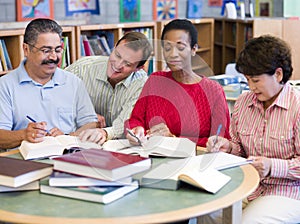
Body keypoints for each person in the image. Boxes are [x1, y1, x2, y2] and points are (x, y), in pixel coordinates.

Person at [206, 35, 300, 223]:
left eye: (256, 80)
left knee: (248, 222)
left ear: (278, 75)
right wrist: (228, 147)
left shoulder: (297, 107)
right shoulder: (243, 102)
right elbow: (239, 147)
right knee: (205, 209)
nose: (251, 87)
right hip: (248, 186)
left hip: (288, 191)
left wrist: (273, 166)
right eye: (247, 80)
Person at [125, 19, 230, 147]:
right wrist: (137, 130)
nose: (173, 54)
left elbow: (220, 142)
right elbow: (135, 119)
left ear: (193, 49)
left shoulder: (214, 91)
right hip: (152, 156)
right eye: (168, 48)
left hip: (196, 161)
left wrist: (173, 139)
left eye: (180, 47)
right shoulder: (155, 81)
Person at [0, 18, 98, 150]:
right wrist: (24, 135)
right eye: (46, 51)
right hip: (23, 162)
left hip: (66, 157)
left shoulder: (73, 82)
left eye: (57, 50)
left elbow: (90, 123)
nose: (53, 57)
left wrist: (68, 136)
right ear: (26, 49)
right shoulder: (5, 85)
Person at [66, 32, 153, 145]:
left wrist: (104, 133)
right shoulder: (82, 68)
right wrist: (83, 113)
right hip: (71, 140)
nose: (117, 65)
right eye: (117, 55)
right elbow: (53, 95)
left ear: (138, 68)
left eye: (127, 63)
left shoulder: (142, 85)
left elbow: (126, 122)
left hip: (116, 148)